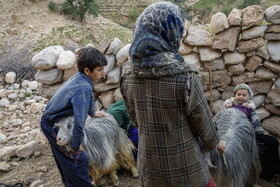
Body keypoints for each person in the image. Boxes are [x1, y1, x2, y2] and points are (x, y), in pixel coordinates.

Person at [120, 2, 220, 187]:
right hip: (186, 168)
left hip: (149, 167)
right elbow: (203, 123)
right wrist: (216, 143)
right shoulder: (184, 76)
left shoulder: (127, 76)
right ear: (172, 32)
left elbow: (135, 119)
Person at [40, 47, 107, 187]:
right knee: (78, 160)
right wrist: (76, 144)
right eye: (100, 69)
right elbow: (79, 122)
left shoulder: (82, 79)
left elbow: (88, 97)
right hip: (53, 125)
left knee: (64, 158)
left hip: (51, 120)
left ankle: (68, 182)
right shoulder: (82, 87)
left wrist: (92, 112)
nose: (103, 72)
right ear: (87, 70)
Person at [224, 83, 280, 181]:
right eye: (238, 94)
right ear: (234, 95)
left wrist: (258, 133)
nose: (241, 97)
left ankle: (270, 171)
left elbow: (255, 122)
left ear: (248, 96)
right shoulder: (231, 108)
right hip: (236, 137)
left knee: (272, 141)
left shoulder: (249, 108)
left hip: (252, 134)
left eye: (244, 95)